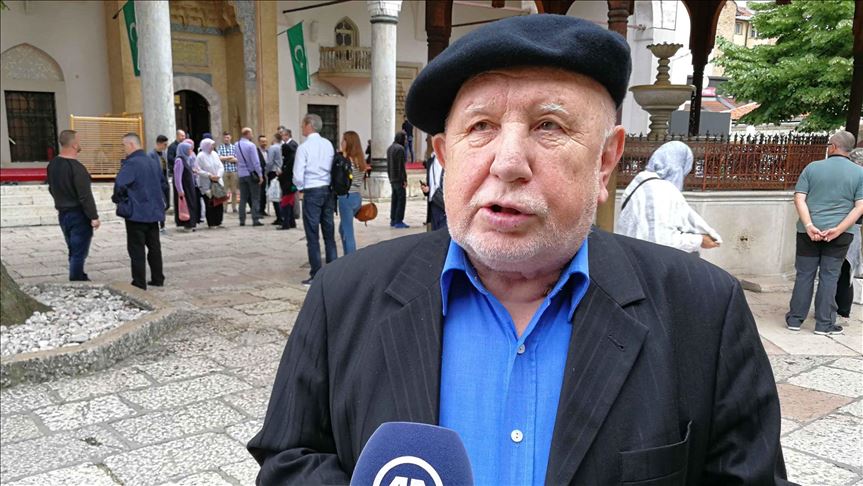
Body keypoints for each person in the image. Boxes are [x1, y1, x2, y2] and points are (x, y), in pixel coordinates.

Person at [249, 15, 792, 486]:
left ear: (605, 161)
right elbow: (290, 457)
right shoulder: (343, 295)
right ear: (445, 156)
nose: (508, 162)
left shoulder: (703, 311)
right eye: (480, 127)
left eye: (549, 126)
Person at [786, 130, 863, 335]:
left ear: (834, 147)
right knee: (830, 276)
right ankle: (824, 323)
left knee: (804, 274)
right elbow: (860, 206)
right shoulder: (859, 173)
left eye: (829, 144)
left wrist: (809, 225)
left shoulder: (812, 168)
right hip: (840, 234)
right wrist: (839, 229)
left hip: (807, 232)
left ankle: (795, 319)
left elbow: (799, 198)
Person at [615, 141, 722, 253]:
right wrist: (699, 240)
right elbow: (661, 241)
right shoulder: (663, 190)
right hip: (647, 259)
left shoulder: (637, 184)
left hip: (626, 255)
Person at [112, 133, 166, 290]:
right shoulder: (153, 161)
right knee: (154, 247)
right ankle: (158, 277)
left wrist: (119, 199)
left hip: (136, 212)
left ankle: (139, 282)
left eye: (124, 145)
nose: (123, 149)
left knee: (136, 249)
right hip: (153, 212)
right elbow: (163, 184)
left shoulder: (132, 164)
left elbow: (120, 185)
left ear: (131, 144)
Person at [47, 130, 100, 281]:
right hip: (78, 214)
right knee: (79, 251)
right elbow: (85, 195)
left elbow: (51, 188)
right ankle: (76, 279)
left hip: (63, 212)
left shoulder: (53, 165)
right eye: (79, 141)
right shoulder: (77, 168)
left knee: (72, 247)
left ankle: (78, 274)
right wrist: (93, 216)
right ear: (75, 145)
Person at [293, 113, 336, 285]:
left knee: (312, 235)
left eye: (303, 124)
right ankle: (333, 271)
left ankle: (317, 273)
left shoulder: (304, 148)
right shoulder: (328, 144)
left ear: (309, 125)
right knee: (329, 233)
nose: (301, 128)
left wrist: (300, 187)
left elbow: (298, 174)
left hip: (312, 190)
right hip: (327, 189)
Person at [336, 131, 369, 254]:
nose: (341, 143)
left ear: (348, 143)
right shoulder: (360, 160)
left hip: (347, 197)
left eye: (343, 140)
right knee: (343, 228)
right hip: (356, 197)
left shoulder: (347, 161)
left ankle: (350, 258)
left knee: (348, 232)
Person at [235, 127, 264, 227]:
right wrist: (260, 174)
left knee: (243, 198)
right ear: (247, 134)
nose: (252, 135)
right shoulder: (251, 145)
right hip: (251, 174)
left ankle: (242, 219)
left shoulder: (236, 144)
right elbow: (256, 162)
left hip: (241, 173)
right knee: (255, 197)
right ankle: (255, 219)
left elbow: (237, 159)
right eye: (251, 133)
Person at [196, 138, 225, 228]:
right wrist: (209, 175)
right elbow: (198, 170)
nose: (213, 147)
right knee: (210, 203)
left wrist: (218, 175)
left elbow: (220, 166)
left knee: (219, 202)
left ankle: (219, 221)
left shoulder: (215, 154)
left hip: (217, 181)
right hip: (207, 182)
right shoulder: (200, 156)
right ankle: (211, 222)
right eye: (211, 145)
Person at [172, 141, 199, 231]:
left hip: (188, 187)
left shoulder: (186, 159)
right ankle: (187, 224)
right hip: (184, 188)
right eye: (189, 149)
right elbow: (177, 177)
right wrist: (180, 190)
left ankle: (191, 224)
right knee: (186, 206)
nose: (190, 151)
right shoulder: (179, 161)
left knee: (190, 204)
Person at [149, 135, 171, 234]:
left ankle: (161, 224)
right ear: (159, 143)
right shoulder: (151, 155)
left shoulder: (163, 154)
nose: (166, 146)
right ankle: (161, 225)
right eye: (164, 144)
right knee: (161, 204)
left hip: (164, 182)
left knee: (166, 204)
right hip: (156, 183)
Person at [277, 129, 299, 230]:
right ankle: (291, 222)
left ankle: (286, 223)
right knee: (290, 203)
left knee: (285, 203)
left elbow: (287, 172)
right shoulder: (291, 157)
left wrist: (280, 174)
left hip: (288, 183)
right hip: (291, 183)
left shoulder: (290, 158)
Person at [387, 131, 409, 228]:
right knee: (401, 200)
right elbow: (401, 166)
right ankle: (399, 220)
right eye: (405, 139)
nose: (406, 141)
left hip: (392, 178)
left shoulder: (390, 148)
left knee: (394, 199)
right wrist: (404, 179)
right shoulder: (400, 149)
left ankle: (393, 219)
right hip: (399, 178)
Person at [421, 151, 447, 231]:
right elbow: (431, 182)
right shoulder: (430, 161)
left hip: (445, 204)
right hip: (433, 203)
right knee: (435, 232)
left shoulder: (449, 160)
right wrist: (427, 190)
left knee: (444, 233)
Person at [217, 132, 240, 213]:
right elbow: (219, 158)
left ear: (230, 138)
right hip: (224, 170)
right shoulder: (220, 147)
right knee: (225, 190)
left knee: (234, 191)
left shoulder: (234, 147)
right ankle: (224, 207)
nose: (226, 139)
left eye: (228, 137)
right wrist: (230, 157)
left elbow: (237, 159)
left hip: (233, 170)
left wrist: (226, 158)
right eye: (225, 138)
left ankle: (234, 207)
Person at [266, 132, 284, 225]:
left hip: (273, 171)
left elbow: (269, 162)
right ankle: (283, 215)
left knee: (274, 194)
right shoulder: (283, 146)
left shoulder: (273, 148)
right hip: (282, 171)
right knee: (281, 194)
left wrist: (266, 171)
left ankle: (279, 216)